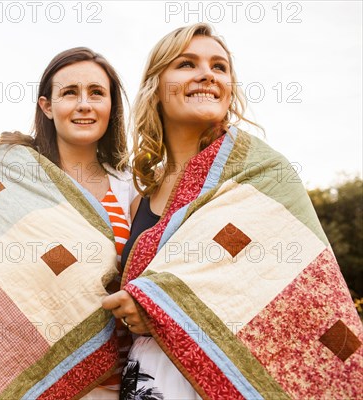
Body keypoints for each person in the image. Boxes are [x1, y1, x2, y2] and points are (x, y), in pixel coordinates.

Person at [103, 23, 363, 399]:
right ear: (156, 86)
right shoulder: (138, 201)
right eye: (187, 64)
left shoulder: (260, 173)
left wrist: (159, 305)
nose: (207, 74)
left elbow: (294, 287)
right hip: (151, 379)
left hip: (237, 372)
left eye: (219, 67)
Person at [0, 47, 138, 400]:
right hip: (20, 370)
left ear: (111, 106)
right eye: (69, 93)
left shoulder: (131, 187)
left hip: (108, 382)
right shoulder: (12, 174)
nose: (84, 104)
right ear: (47, 106)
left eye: (96, 93)